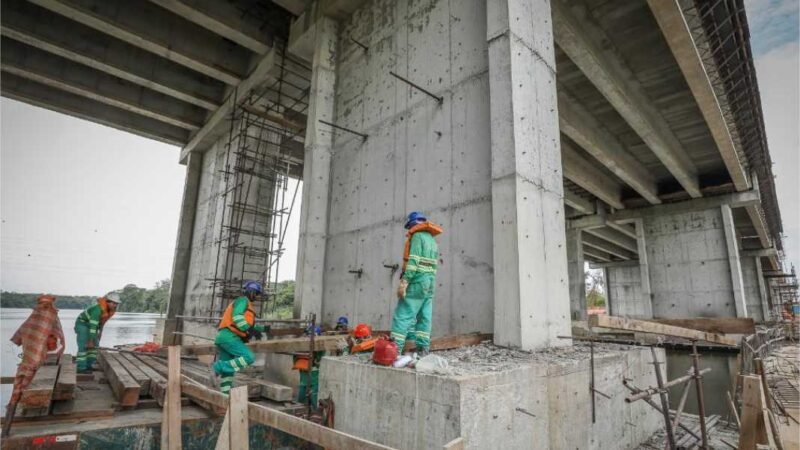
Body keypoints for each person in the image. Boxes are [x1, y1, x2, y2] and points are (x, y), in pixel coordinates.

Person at [5, 294, 65, 433]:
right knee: (28, 381)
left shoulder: (33, 317)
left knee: (21, 384)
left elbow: (18, 338)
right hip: (34, 362)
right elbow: (55, 342)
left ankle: (11, 415)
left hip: (28, 361)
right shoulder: (51, 317)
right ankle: (20, 410)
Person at [390, 211, 442, 357]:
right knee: (424, 315)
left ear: (412, 224)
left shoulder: (417, 236)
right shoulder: (432, 240)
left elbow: (413, 262)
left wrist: (405, 281)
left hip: (417, 280)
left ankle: (394, 351)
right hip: (430, 281)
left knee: (403, 313)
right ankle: (423, 350)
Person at [211, 280, 267, 395]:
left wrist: (263, 329)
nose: (256, 297)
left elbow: (249, 324)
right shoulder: (243, 300)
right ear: (251, 292)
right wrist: (249, 329)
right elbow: (237, 317)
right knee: (249, 357)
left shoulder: (244, 304)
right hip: (230, 337)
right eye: (256, 293)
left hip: (223, 338)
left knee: (228, 374)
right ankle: (218, 367)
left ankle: (225, 396)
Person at [75, 292, 121, 373]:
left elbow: (102, 323)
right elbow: (93, 327)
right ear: (108, 302)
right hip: (82, 324)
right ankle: (81, 368)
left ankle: (89, 366)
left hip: (93, 325)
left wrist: (100, 333)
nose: (115, 305)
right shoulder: (97, 310)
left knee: (95, 346)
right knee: (84, 346)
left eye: (117, 304)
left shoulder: (109, 310)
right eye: (114, 303)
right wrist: (90, 341)